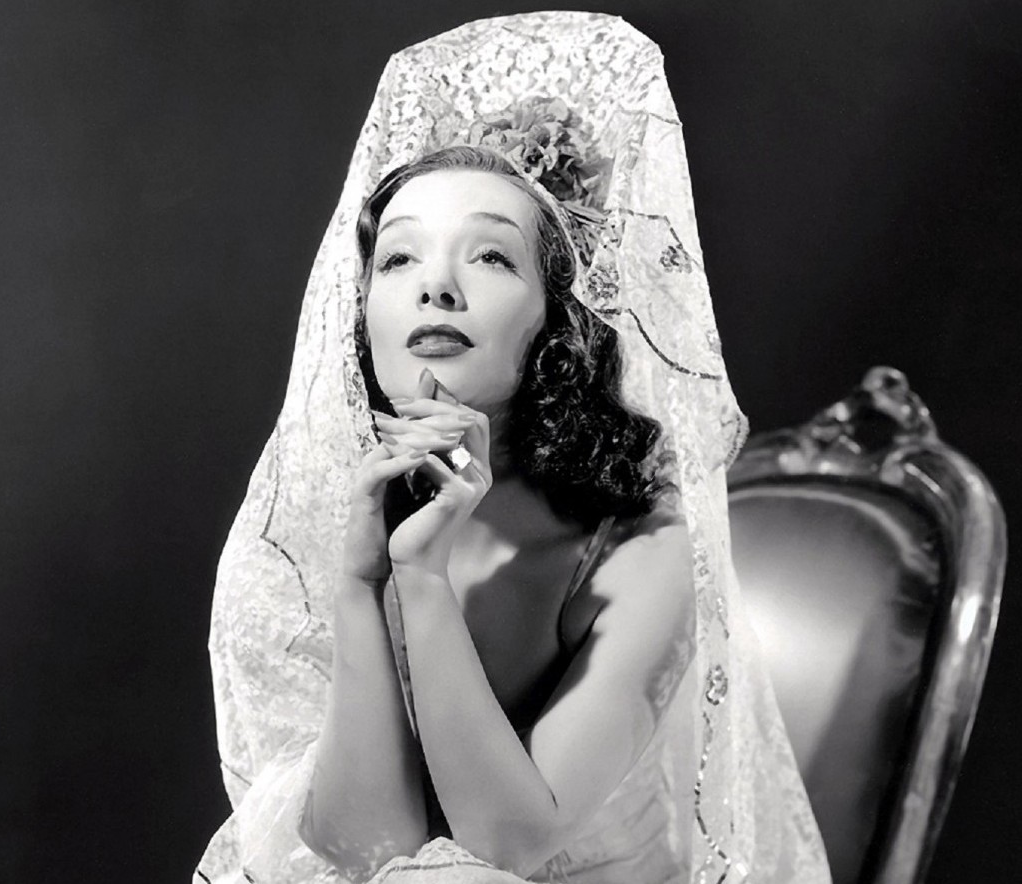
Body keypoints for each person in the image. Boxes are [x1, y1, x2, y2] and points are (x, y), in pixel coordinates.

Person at [195, 12, 830, 884]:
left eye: (491, 258)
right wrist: (362, 582)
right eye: (398, 260)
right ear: (361, 315)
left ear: (557, 320)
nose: (436, 288)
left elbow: (502, 852)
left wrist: (422, 583)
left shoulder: (643, 553)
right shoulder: (355, 517)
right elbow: (365, 849)